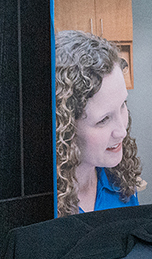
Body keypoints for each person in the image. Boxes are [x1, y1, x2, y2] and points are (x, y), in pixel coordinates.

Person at [54, 30, 142, 216]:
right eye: (103, 120)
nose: (122, 132)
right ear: (65, 127)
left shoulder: (120, 183)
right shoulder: (46, 205)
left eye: (123, 105)